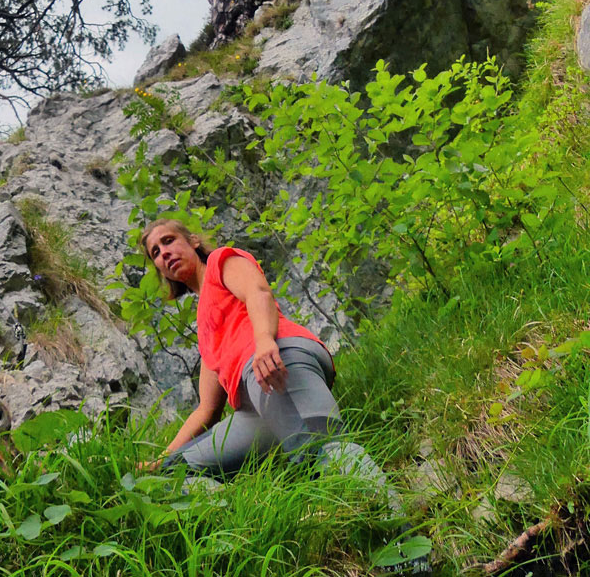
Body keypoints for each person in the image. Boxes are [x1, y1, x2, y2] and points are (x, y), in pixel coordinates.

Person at [140, 219, 430, 575]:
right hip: (252, 408)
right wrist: (161, 461)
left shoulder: (220, 262)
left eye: (169, 241)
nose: (164, 252)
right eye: (156, 251)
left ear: (193, 241)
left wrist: (264, 342)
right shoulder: (205, 325)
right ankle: (260, 523)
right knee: (177, 471)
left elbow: (258, 293)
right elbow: (207, 408)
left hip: (278, 362)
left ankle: (408, 561)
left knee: (323, 449)